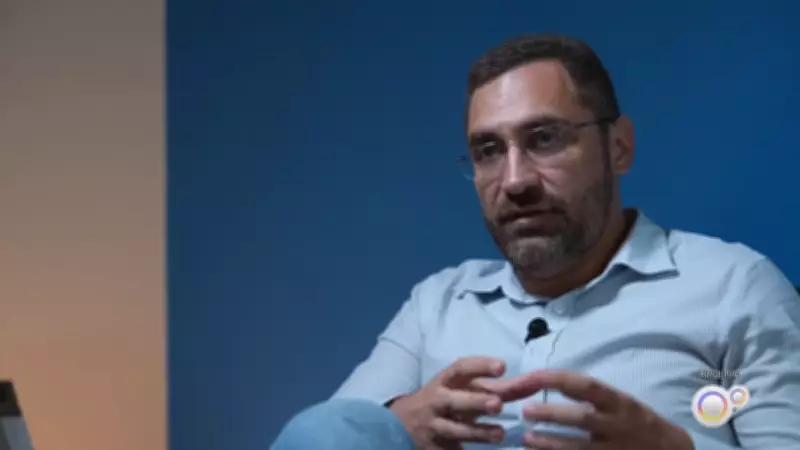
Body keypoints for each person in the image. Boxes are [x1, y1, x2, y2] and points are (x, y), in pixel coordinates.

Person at [272, 34, 800, 450]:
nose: (515, 180)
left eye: (544, 139)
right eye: (488, 150)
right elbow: (325, 436)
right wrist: (400, 420)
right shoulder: (438, 304)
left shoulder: (734, 288)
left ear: (618, 147)